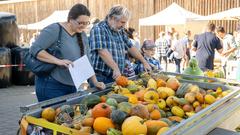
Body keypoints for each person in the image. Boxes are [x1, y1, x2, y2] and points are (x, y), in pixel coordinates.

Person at [29, 4, 105, 102]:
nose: (83, 26)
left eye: (86, 23)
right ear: (70, 19)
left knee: (69, 116)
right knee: (52, 116)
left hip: (72, 86)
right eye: (80, 22)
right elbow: (35, 49)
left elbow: (87, 62)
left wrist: (95, 82)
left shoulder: (82, 35)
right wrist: (58, 61)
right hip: (51, 85)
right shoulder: (55, 29)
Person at [89, 5, 151, 84]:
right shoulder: (99, 28)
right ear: (113, 18)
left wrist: (144, 62)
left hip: (116, 75)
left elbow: (130, 47)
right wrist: (115, 67)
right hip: (101, 77)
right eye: (122, 22)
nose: (123, 25)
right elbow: (102, 51)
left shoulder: (120, 30)